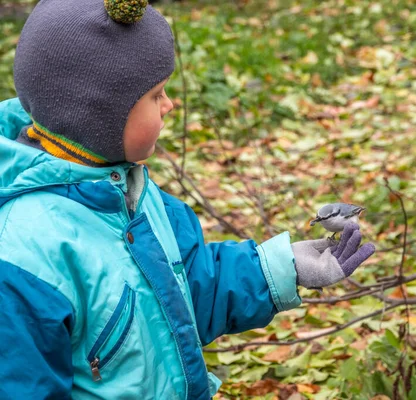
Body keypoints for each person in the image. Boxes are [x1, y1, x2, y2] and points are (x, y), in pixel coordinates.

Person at [0, 0, 375, 398]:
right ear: (98, 114)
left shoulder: (133, 193)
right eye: (156, 95)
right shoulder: (26, 254)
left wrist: (282, 268)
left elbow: (186, 288)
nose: (170, 104)